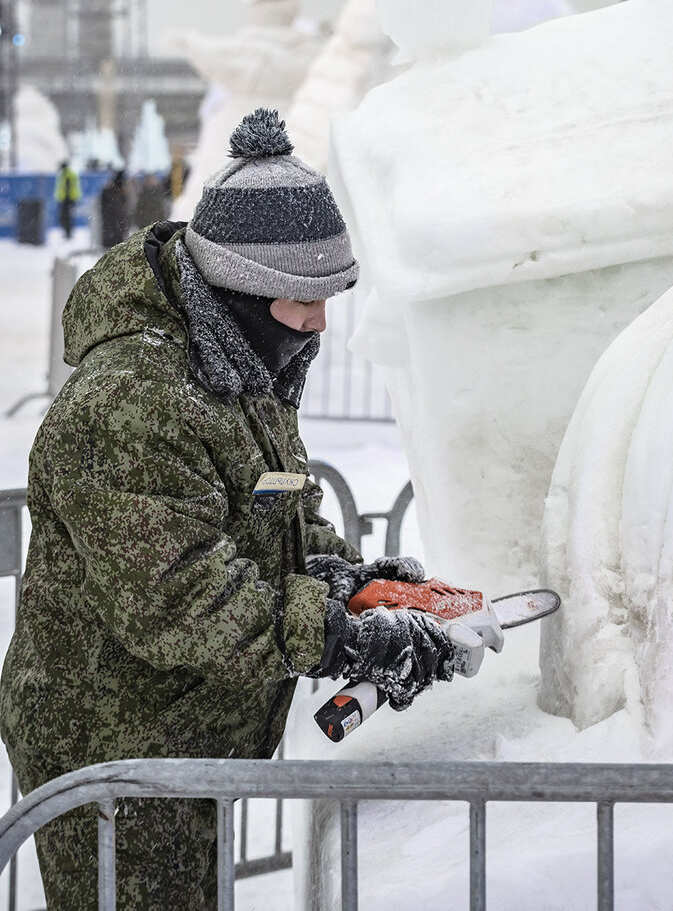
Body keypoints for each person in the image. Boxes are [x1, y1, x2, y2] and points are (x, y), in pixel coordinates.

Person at [0, 108, 454, 910]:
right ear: (238, 287)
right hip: (118, 751)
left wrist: (342, 575)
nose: (317, 320)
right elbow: (177, 600)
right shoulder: (134, 401)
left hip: (185, 732)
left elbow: (274, 499)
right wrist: (339, 633)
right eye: (298, 299)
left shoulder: (233, 365)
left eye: (328, 295)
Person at [99, 168, 130, 249]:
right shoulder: (109, 193)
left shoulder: (118, 193)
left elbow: (123, 211)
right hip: (112, 228)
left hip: (116, 229)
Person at [54, 160, 81, 240]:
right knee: (68, 217)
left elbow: (67, 188)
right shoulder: (70, 173)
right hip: (69, 198)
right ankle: (68, 232)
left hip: (67, 199)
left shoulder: (66, 174)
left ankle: (68, 233)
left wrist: (66, 199)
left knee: (66, 217)